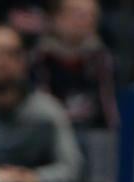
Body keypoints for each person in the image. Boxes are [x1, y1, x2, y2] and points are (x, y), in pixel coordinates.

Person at [0, 25, 83, 182]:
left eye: (10, 53)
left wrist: (33, 178)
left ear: (23, 61)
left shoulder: (47, 112)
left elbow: (72, 168)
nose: (0, 61)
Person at [32, 0, 116, 130]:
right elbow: (40, 110)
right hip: (50, 133)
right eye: (79, 14)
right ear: (57, 18)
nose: (87, 20)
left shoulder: (100, 58)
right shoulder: (40, 57)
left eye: (92, 15)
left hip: (93, 134)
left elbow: (109, 110)